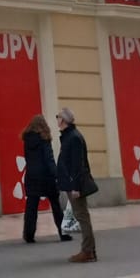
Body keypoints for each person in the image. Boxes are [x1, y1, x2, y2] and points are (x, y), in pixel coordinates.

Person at [54, 108, 98, 264]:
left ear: (64, 120)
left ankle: (88, 251)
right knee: (82, 216)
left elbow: (77, 165)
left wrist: (76, 187)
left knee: (82, 216)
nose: (56, 119)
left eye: (58, 117)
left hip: (75, 184)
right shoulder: (69, 136)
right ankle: (89, 250)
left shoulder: (73, 138)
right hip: (71, 183)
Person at [21, 114, 70, 245]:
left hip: (31, 176)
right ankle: (63, 233)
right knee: (55, 205)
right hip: (46, 177)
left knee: (31, 206)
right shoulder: (44, 139)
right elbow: (49, 159)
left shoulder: (26, 139)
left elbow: (27, 158)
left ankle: (29, 235)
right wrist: (56, 175)